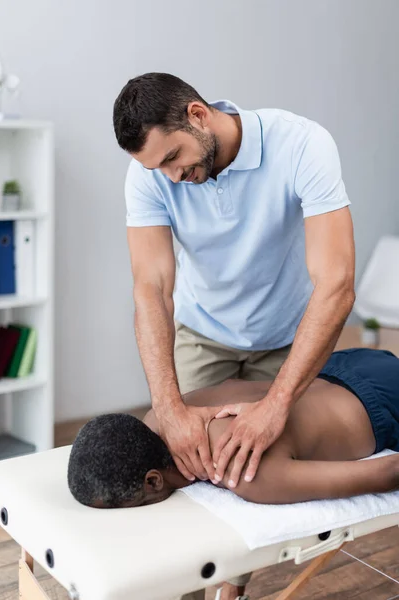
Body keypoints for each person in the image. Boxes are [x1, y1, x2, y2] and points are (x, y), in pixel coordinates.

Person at [113, 72, 356, 494]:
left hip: (287, 336)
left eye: (174, 157)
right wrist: (167, 408)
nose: (170, 176)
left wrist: (277, 404)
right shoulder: (149, 177)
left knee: (271, 478)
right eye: (158, 167)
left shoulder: (302, 144)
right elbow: (151, 288)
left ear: (198, 115)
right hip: (201, 333)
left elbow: (337, 283)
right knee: (199, 478)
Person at [69, 347, 399, 600]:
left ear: (153, 480)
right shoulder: (161, 416)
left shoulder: (243, 470)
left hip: (386, 399)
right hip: (341, 365)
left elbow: (389, 472)